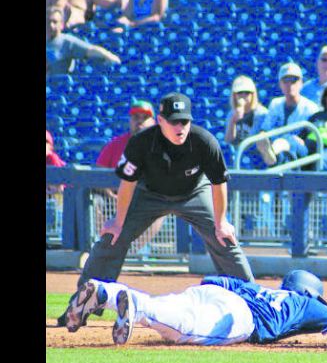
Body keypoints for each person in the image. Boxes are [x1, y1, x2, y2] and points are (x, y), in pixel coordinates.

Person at [59, 92, 255, 328]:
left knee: (224, 238)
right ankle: (79, 307)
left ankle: (254, 305)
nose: (180, 126)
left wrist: (221, 222)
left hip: (194, 193)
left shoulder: (204, 141)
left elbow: (218, 183)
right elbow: (127, 184)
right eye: (174, 121)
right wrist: (118, 221)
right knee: (112, 238)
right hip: (149, 193)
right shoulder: (141, 142)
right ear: (160, 121)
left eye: (184, 121)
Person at [66, 270, 327, 346]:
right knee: (186, 328)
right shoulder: (306, 305)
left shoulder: (258, 287)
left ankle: (106, 292)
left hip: (214, 291)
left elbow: (211, 280)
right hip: (240, 317)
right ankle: (134, 305)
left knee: (171, 306)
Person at [95, 100, 162, 253]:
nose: (139, 121)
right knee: (95, 201)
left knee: (162, 212)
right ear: (130, 121)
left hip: (146, 200)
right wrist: (108, 193)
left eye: (144, 118)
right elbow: (97, 176)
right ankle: (107, 247)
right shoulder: (115, 144)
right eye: (135, 117)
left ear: (153, 122)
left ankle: (134, 251)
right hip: (111, 200)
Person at [256, 63, 320, 167]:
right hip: (281, 154)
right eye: (285, 80)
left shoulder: (311, 108)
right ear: (280, 84)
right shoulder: (275, 104)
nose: (290, 84)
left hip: (301, 154)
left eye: (294, 80)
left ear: (301, 83)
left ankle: (272, 153)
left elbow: (312, 141)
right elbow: (265, 129)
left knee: (290, 140)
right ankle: (272, 156)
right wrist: (262, 137)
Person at [46, 7, 121, 76]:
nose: (51, 25)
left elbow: (90, 50)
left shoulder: (67, 42)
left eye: (55, 22)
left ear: (61, 25)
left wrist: (109, 56)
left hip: (57, 87)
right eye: (47, 22)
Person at [224, 75, 269, 168]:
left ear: (253, 94)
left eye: (247, 93)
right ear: (234, 95)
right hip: (236, 153)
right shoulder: (231, 114)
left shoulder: (261, 113)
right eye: (240, 93)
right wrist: (233, 121)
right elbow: (228, 140)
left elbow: (253, 142)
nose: (243, 96)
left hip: (255, 155)